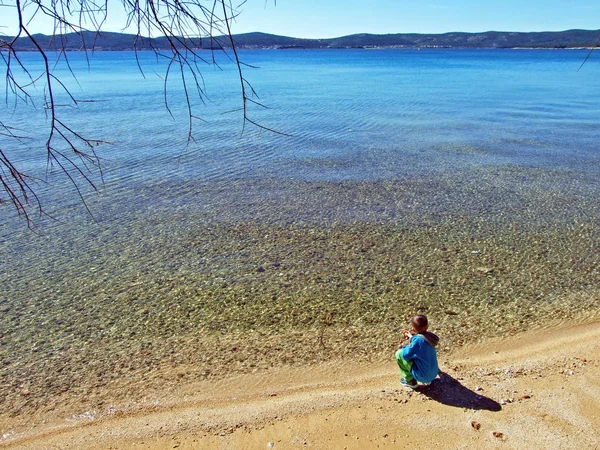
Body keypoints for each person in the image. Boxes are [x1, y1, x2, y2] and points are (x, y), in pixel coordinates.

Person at [395, 314, 439, 388]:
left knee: (399, 354)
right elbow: (420, 343)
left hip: (423, 376)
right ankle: (428, 381)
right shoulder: (431, 337)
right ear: (427, 326)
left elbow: (406, 355)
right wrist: (411, 337)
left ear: (413, 329)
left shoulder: (418, 342)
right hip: (434, 374)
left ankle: (411, 382)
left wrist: (403, 346)